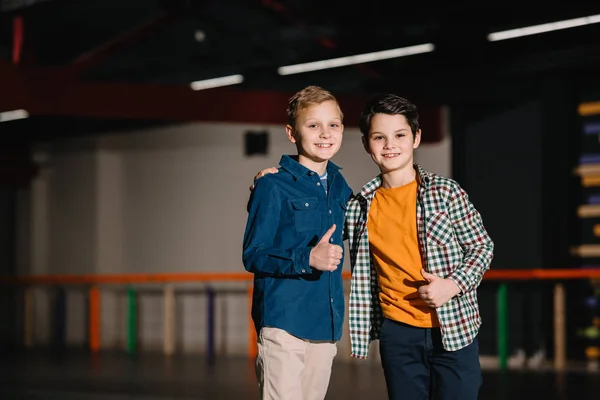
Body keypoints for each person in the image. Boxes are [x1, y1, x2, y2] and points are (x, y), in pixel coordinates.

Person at [251, 93, 494, 400]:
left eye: (400, 135)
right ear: (367, 144)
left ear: (416, 138)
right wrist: (269, 179)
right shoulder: (359, 205)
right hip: (398, 334)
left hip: (453, 329)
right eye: (379, 137)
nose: (390, 145)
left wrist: (453, 285)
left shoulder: (445, 192)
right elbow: (295, 230)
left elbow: (482, 247)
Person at [242, 85, 353, 400]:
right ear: (292, 133)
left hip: (326, 325)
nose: (325, 133)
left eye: (332, 125)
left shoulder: (339, 185)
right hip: (284, 323)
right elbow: (253, 254)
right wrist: (308, 259)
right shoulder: (272, 184)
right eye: (313, 125)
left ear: (342, 129)